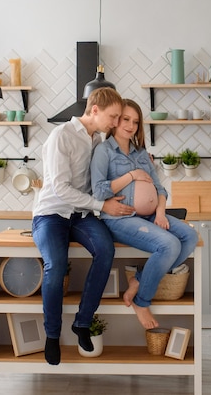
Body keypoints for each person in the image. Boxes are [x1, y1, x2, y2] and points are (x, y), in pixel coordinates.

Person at [32, 87, 135, 365]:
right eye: (113, 116)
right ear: (94, 110)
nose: (115, 122)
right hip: (51, 214)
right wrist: (103, 206)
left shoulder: (98, 139)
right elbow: (61, 189)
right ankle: (52, 335)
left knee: (105, 250)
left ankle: (82, 322)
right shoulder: (61, 136)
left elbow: (100, 178)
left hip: (81, 215)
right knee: (55, 264)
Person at [90, 98, 199, 330]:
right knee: (169, 245)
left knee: (190, 237)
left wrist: (160, 213)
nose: (131, 126)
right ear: (115, 121)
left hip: (150, 217)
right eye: (126, 119)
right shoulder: (104, 151)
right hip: (120, 219)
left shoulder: (141, 153)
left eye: (136, 122)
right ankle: (142, 302)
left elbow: (160, 189)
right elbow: (99, 190)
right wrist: (132, 176)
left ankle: (138, 280)